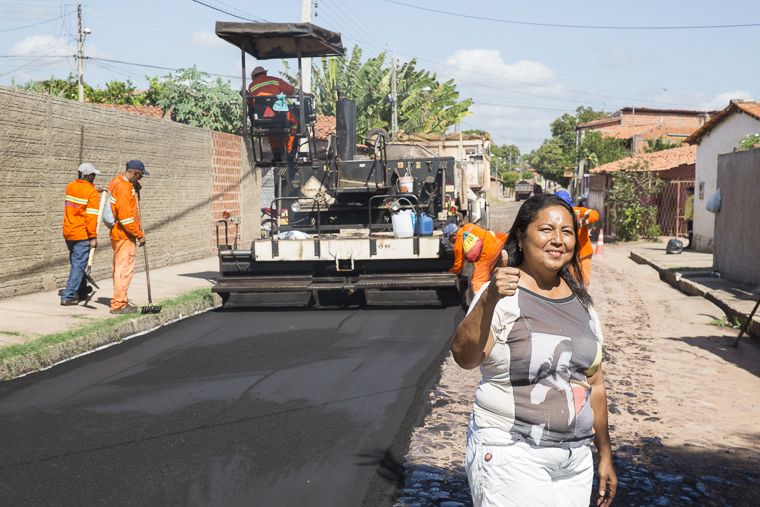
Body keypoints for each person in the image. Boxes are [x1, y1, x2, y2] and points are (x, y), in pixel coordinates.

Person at [451, 194, 616, 507]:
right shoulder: (501, 294)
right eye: (546, 230)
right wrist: (489, 300)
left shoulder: (582, 304)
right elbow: (465, 357)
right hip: (512, 452)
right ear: (520, 237)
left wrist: (604, 455)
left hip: (574, 462)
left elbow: (594, 384)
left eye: (567, 232)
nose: (557, 240)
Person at [108, 160, 148, 314]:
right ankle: (118, 305)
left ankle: (121, 299)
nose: (140, 180)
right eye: (140, 177)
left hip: (117, 234)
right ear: (134, 173)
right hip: (125, 235)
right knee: (123, 270)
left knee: (119, 268)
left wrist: (134, 187)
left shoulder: (116, 181)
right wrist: (139, 235)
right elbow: (126, 219)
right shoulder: (124, 188)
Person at [61, 163, 101, 305]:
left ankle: (82, 291)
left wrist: (97, 190)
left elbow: (81, 194)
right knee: (78, 266)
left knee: (77, 263)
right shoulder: (92, 193)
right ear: (89, 176)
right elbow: (91, 218)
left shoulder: (70, 186)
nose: (95, 177)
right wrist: (93, 237)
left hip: (69, 231)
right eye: (94, 175)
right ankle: (68, 295)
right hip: (82, 234)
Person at [247, 66, 299, 161]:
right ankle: (289, 150)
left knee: (268, 126)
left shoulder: (251, 86)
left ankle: (275, 150)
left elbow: (251, 102)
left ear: (253, 76)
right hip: (279, 115)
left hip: (261, 118)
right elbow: (292, 90)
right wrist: (306, 94)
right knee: (294, 122)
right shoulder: (274, 80)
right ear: (264, 73)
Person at [444, 222, 508, 293]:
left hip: (488, 253)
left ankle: (481, 301)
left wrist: (451, 272)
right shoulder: (467, 226)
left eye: (449, 238)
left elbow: (459, 265)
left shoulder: (458, 245)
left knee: (478, 281)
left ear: (454, 235)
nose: (450, 241)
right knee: (494, 273)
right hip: (498, 241)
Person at [555, 190, 599, 288]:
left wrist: (586, 221)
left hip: (583, 254)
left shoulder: (577, 211)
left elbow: (594, 214)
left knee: (583, 282)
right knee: (568, 284)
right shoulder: (554, 215)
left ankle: (584, 302)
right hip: (566, 256)